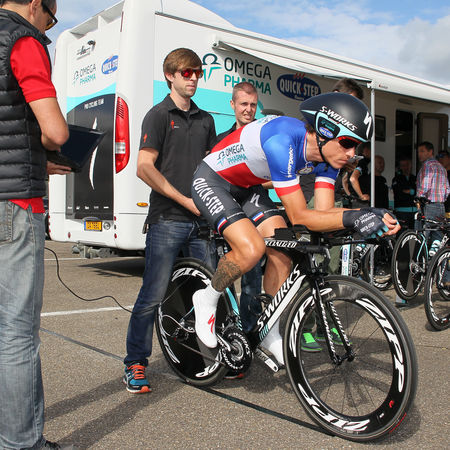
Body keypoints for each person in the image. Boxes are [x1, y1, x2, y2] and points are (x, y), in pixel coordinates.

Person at [191, 92, 399, 366]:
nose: (352, 154)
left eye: (356, 146)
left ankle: (268, 328)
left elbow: (323, 213)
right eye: (347, 143)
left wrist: (367, 214)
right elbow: (300, 216)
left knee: (282, 249)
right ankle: (206, 298)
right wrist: (353, 218)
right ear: (324, 131)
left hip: (247, 187)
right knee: (252, 249)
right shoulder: (283, 141)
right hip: (213, 180)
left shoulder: (328, 159)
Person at [0, 1, 74, 449]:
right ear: (34, 4)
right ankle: (21, 443)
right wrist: (46, 149)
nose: (49, 25)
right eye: (51, 16)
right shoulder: (23, 40)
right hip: (14, 203)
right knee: (17, 331)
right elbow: (56, 131)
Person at [122, 48, 216, 394]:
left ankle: (210, 357)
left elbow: (212, 167)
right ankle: (135, 362)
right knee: (153, 294)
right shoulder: (159, 115)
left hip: (201, 222)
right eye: (186, 72)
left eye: (197, 72)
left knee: (209, 292)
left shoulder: (206, 120)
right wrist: (184, 200)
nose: (193, 78)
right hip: (167, 219)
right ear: (170, 75)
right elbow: (143, 167)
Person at [416, 141, 450, 252]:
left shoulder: (427, 166)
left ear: (430, 152)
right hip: (441, 205)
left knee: (423, 235)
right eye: (418, 152)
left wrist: (418, 198)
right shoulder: (442, 168)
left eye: (422, 151)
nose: (419, 154)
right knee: (438, 235)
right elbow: (447, 189)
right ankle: (434, 258)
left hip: (428, 205)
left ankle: (421, 259)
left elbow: (425, 186)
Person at [392, 157, 416, 229]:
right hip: (401, 211)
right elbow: (399, 193)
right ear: (400, 167)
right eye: (403, 165)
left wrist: (410, 191)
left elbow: (418, 192)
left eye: (407, 165)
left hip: (414, 211)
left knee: (414, 233)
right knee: (402, 233)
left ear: (410, 166)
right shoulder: (397, 178)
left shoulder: (414, 178)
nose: (406, 167)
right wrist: (412, 192)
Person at [348, 142, 371, 207]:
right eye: (371, 150)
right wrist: (361, 196)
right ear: (366, 150)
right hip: (361, 202)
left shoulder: (355, 161)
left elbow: (344, 180)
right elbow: (353, 179)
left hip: (354, 200)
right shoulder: (362, 162)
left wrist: (350, 195)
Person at [436, 150, 450, 217]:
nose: (440, 159)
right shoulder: (439, 174)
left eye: (442, 156)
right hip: (441, 208)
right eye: (438, 157)